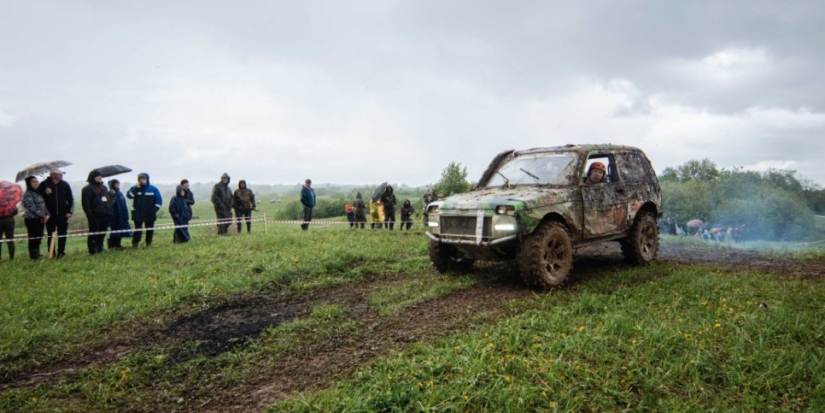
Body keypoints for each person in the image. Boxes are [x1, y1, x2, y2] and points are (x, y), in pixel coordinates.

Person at [38, 169, 73, 258]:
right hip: (50, 215)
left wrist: (69, 211)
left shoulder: (65, 184)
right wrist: (45, 192)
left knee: (62, 234)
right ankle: (51, 252)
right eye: (59, 174)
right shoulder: (44, 184)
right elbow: (39, 199)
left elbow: (70, 199)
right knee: (51, 234)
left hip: (63, 214)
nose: (62, 176)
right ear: (53, 175)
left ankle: (61, 252)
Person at [81, 169, 112, 255]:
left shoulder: (104, 188)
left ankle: (100, 247)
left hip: (105, 213)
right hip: (95, 215)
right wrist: (90, 215)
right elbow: (86, 204)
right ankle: (92, 250)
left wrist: (112, 194)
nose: (100, 177)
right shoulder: (87, 189)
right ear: (92, 177)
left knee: (102, 232)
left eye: (100, 176)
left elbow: (109, 201)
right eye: (98, 176)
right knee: (94, 233)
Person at [127, 172, 162, 248]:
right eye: (140, 179)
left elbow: (159, 200)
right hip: (138, 213)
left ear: (147, 180)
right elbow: (129, 196)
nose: (142, 181)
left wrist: (154, 210)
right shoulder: (135, 188)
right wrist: (136, 188)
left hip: (149, 213)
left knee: (149, 229)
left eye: (143, 179)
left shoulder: (153, 189)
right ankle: (135, 244)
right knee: (138, 229)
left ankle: (148, 243)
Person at [22, 176, 50, 260]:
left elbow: (42, 205)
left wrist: (47, 214)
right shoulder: (27, 194)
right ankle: (33, 256)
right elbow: (32, 208)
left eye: (37, 181)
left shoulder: (38, 193)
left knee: (39, 236)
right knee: (33, 237)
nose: (36, 183)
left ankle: (37, 253)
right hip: (31, 219)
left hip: (39, 219)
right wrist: (43, 215)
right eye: (33, 182)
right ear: (29, 183)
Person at [107, 179, 131, 250]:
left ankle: (118, 245)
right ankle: (111, 246)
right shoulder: (109, 194)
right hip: (114, 216)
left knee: (120, 231)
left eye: (118, 183)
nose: (117, 185)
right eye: (116, 184)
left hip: (122, 215)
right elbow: (109, 205)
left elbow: (123, 205)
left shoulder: (120, 194)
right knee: (114, 231)